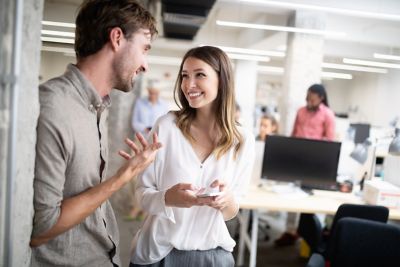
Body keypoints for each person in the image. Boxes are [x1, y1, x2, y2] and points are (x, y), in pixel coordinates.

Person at [30, 1, 160, 266]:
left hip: (103, 255)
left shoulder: (98, 106)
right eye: (144, 49)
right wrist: (124, 176)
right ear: (116, 38)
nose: (145, 65)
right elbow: (42, 228)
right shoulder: (54, 107)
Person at [130, 46, 255, 267]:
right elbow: (141, 194)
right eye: (185, 76)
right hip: (159, 254)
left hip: (212, 256)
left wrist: (227, 201)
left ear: (222, 79)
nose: (189, 85)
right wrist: (168, 198)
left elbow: (231, 212)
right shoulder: (166, 127)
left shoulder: (242, 140)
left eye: (200, 75)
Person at [275, 83, 335, 246]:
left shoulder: (328, 114)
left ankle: (309, 234)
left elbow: (330, 141)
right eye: (307, 98)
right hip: (297, 159)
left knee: (311, 198)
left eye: (312, 99)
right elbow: (294, 133)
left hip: (315, 162)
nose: (309, 102)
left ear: (321, 98)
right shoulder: (301, 111)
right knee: (292, 195)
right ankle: (290, 231)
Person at [127, 85, 169, 220]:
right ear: (148, 91)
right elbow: (135, 122)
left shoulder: (164, 105)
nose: (153, 96)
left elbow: (166, 124)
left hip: (155, 143)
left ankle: (146, 209)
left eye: (155, 93)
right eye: (151, 93)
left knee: (152, 176)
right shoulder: (140, 102)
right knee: (133, 174)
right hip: (140, 141)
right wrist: (146, 128)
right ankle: (135, 206)